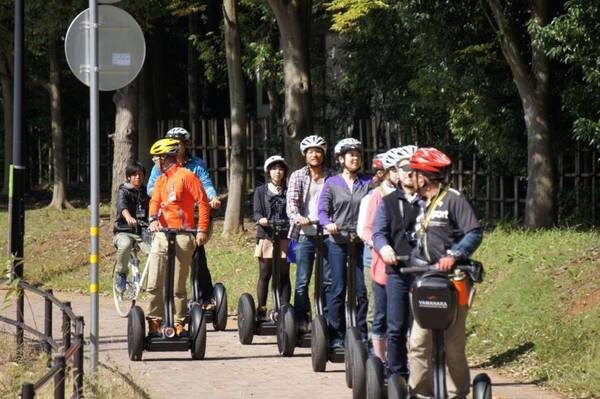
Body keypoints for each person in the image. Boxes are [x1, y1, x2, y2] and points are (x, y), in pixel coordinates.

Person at [407, 147, 483, 399]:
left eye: (414, 173)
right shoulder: (420, 204)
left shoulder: (453, 199)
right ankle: (421, 393)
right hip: (425, 280)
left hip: (454, 282)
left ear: (425, 176)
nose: (411, 177)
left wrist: (454, 255)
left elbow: (474, 232)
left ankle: (455, 394)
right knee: (418, 343)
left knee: (453, 346)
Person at [147, 127, 220, 311]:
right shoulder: (160, 170)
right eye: (172, 141)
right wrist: (155, 214)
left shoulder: (195, 166)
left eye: (178, 142)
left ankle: (205, 298)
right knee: (161, 269)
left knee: (198, 256)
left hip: (190, 222)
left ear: (185, 145)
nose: (175, 145)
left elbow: (206, 185)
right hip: (167, 223)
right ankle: (161, 311)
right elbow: (152, 192)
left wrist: (213, 198)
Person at [359, 146, 415, 360]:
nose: (407, 173)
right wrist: (382, 246)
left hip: (416, 266)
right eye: (399, 169)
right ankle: (381, 361)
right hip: (385, 263)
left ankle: (413, 361)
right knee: (383, 315)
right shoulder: (379, 197)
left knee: (413, 317)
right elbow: (369, 229)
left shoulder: (423, 199)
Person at [371, 145, 420, 380]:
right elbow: (378, 232)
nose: (410, 172)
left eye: (414, 167)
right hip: (398, 271)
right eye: (405, 168)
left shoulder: (432, 200)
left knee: (428, 328)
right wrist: (385, 248)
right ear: (396, 173)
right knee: (397, 326)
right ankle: (398, 375)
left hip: (427, 273)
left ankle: (428, 373)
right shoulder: (388, 202)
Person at [318, 137, 371, 348]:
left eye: (358, 155)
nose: (355, 159)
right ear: (341, 159)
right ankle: (337, 336)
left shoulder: (367, 183)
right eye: (351, 155)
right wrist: (328, 223)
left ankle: (362, 335)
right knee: (338, 288)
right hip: (337, 241)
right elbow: (323, 210)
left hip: (361, 242)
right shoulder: (332, 183)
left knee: (362, 291)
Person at [286, 135, 335, 332]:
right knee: (302, 280)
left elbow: (338, 203)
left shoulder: (333, 176)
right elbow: (292, 203)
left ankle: (325, 319)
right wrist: (298, 217)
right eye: (310, 152)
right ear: (305, 155)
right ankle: (301, 320)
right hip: (306, 233)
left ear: (323, 154)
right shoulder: (298, 176)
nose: (314, 155)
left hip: (327, 234)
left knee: (328, 280)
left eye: (318, 151)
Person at [253, 155, 291, 321]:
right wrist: (261, 219)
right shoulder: (261, 191)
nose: (278, 172)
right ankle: (261, 310)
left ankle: (283, 310)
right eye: (274, 168)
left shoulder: (289, 191)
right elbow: (256, 211)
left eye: (281, 168)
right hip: (267, 236)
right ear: (269, 171)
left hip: (283, 235)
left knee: (284, 274)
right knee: (265, 273)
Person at [113, 162, 150, 292]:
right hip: (124, 230)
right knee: (125, 244)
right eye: (134, 175)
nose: (138, 177)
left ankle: (153, 282)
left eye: (140, 174)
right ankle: (121, 274)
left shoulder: (146, 191)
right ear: (129, 177)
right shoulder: (124, 190)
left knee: (155, 252)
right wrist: (128, 217)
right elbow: (121, 206)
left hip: (142, 232)